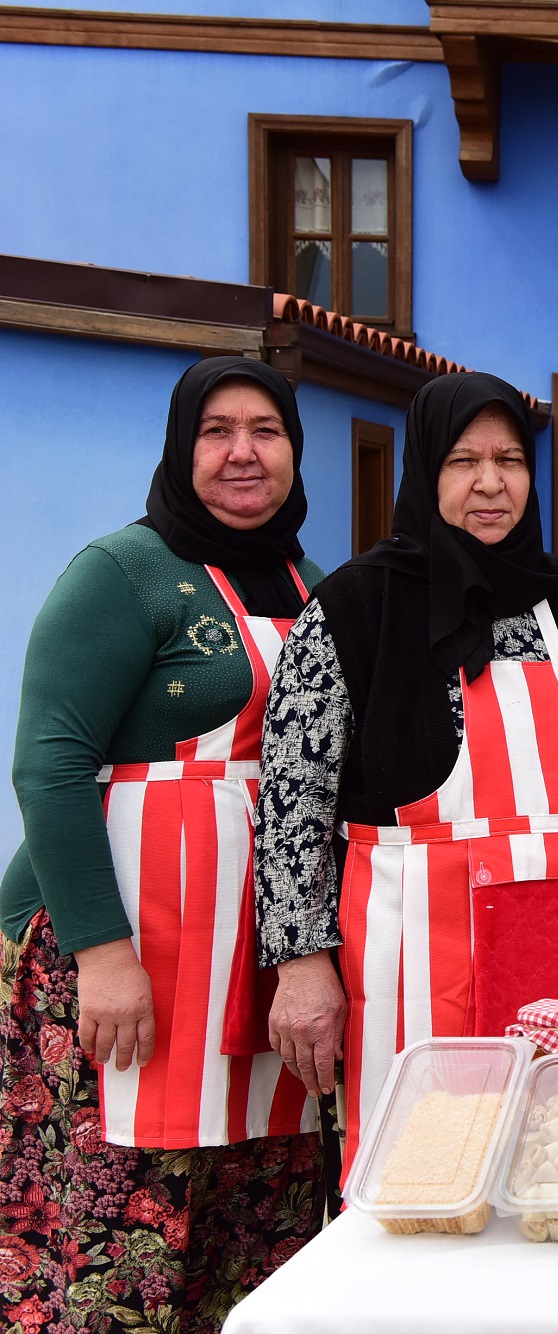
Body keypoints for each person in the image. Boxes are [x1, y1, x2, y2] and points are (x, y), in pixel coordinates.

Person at [0, 357, 324, 1331]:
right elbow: (48, 768)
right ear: (182, 449)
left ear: (293, 451)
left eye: (264, 430)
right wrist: (103, 954)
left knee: (245, 1208)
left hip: (251, 963)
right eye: (215, 430)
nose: (240, 452)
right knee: (115, 1212)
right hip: (119, 957)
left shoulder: (312, 581)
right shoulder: (123, 570)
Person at [255, 371, 558, 1168]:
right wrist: (301, 966)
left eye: (510, 460)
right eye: (465, 460)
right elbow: (294, 805)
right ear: (427, 470)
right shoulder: (358, 606)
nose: (492, 483)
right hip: (420, 975)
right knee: (424, 1193)